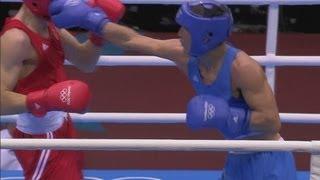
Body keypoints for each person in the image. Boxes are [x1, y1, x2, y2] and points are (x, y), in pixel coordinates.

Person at [49, 0, 297, 179]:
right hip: (236, 154)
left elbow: (272, 122)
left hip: (268, 157)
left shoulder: (243, 68)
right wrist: (93, 20)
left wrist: (227, 114)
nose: (178, 34)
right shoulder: (186, 55)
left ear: (205, 36)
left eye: (185, 29)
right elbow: (134, 40)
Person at [0, 0, 124, 179]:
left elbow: (85, 62)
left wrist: (98, 34)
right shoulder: (16, 38)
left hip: (62, 125)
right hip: (40, 136)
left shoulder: (52, 26)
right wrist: (45, 99)